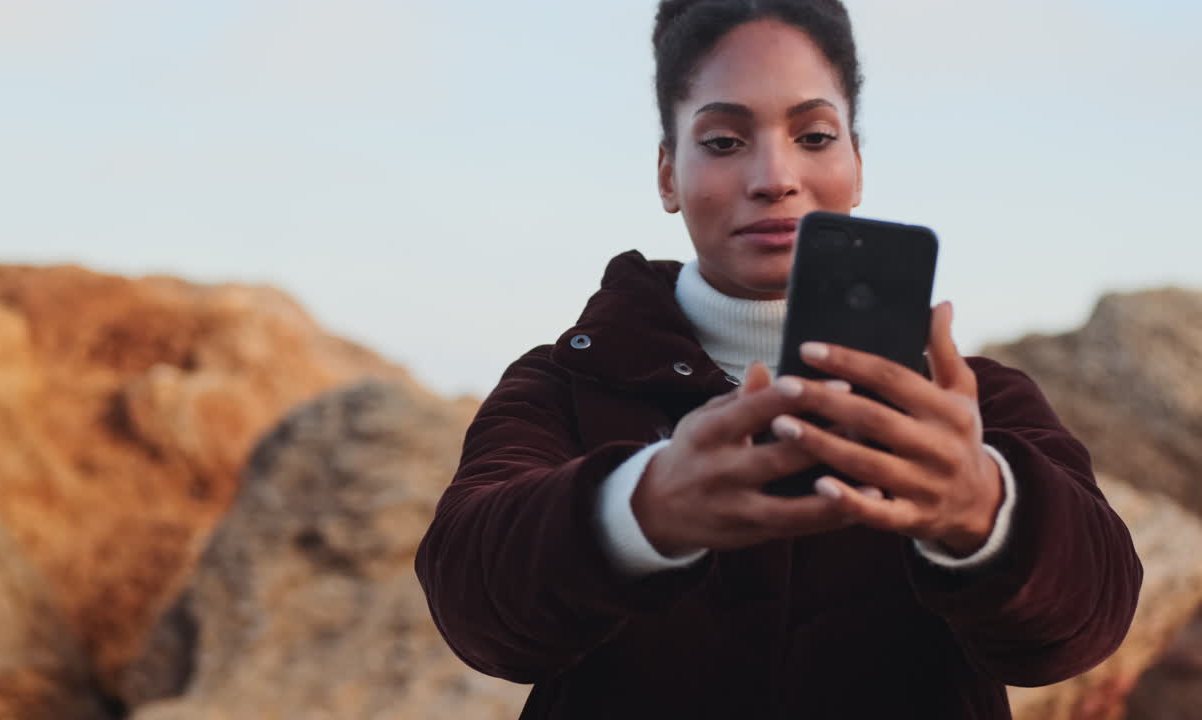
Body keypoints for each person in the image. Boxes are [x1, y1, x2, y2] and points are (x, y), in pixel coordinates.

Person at [415, 1, 1143, 717]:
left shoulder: (971, 407)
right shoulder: (560, 386)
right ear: (668, 174)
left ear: (857, 166)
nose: (774, 176)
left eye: (816, 135)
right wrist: (639, 506)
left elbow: (1087, 624)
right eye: (724, 141)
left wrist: (984, 507)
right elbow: (474, 607)